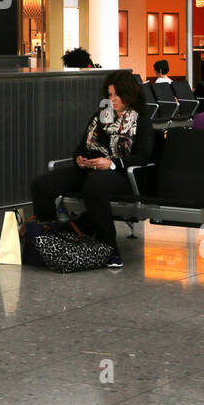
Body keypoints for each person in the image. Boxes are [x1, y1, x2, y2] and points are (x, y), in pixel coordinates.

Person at [30, 70, 154, 269]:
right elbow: (82, 147)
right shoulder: (100, 117)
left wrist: (111, 163)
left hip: (121, 174)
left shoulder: (141, 120)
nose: (112, 99)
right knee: (41, 185)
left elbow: (143, 156)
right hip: (90, 169)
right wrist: (79, 159)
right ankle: (52, 240)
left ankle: (109, 250)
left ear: (129, 94)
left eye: (117, 95)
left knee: (94, 186)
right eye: (110, 95)